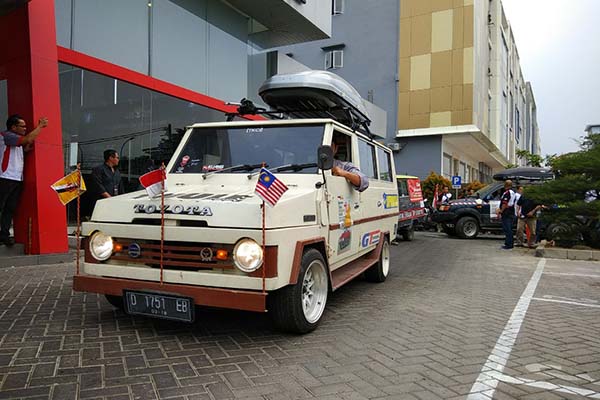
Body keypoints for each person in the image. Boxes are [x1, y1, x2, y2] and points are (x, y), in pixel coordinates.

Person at [0, 115, 48, 246]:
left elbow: (21, 147)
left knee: (10, 208)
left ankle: (4, 235)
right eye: (22, 126)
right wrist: (40, 126)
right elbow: (27, 139)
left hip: (16, 178)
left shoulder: (16, 141)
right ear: (13, 127)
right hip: (5, 177)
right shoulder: (7, 136)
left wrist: (26, 150)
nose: (25, 128)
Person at [496, 180, 516, 250]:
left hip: (507, 213)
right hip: (510, 212)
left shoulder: (508, 193)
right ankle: (509, 243)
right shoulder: (512, 192)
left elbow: (505, 203)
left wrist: (501, 211)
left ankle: (508, 244)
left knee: (507, 229)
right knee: (508, 229)